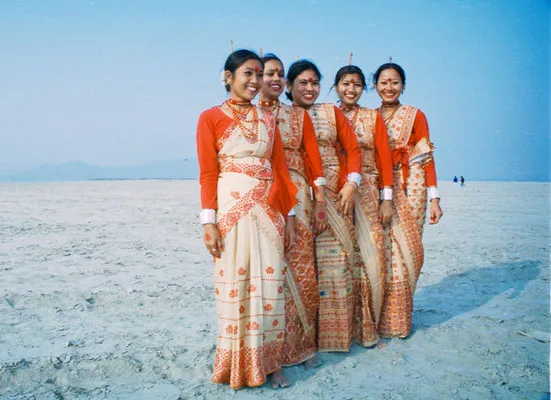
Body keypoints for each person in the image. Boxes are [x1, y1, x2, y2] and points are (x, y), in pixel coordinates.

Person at [196, 49, 297, 389]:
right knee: (234, 286)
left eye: (259, 74)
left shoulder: (269, 119)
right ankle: (238, 364)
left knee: (271, 285)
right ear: (228, 77)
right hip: (231, 209)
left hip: (269, 209)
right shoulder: (210, 118)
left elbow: (281, 170)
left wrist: (291, 215)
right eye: (247, 75)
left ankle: (272, 363)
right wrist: (208, 222)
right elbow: (208, 173)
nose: (255, 81)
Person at [285, 59, 362, 352]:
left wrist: (351, 184)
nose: (309, 88)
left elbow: (353, 148)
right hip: (297, 194)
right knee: (302, 267)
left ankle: (335, 338)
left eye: (314, 82)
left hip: (335, 192)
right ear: (289, 86)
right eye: (302, 82)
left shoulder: (330, 112)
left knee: (336, 264)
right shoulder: (280, 115)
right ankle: (303, 340)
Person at [258, 54, 327, 369]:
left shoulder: (298, 118)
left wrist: (321, 200)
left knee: (301, 271)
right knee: (268, 273)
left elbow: (314, 160)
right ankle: (270, 355)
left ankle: (301, 348)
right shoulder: (247, 114)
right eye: (267, 73)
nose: (274, 78)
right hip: (259, 196)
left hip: (298, 197)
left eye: (279, 74)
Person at [373, 62, 443, 338]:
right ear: (375, 85)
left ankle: (400, 319)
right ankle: (380, 317)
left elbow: (427, 158)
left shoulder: (415, 115)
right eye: (383, 82)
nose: (389, 88)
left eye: (395, 82)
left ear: (403, 85)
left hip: (412, 183)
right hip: (379, 184)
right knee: (383, 252)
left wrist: (435, 197)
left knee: (406, 251)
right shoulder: (370, 116)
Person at [333, 65, 394, 347]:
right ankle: (340, 328)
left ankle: (369, 326)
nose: (351, 89)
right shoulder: (323, 115)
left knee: (371, 257)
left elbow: (384, 158)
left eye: (357, 85)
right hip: (336, 191)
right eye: (346, 84)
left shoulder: (372, 118)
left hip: (368, 188)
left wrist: (387, 199)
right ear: (336, 87)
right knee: (340, 260)